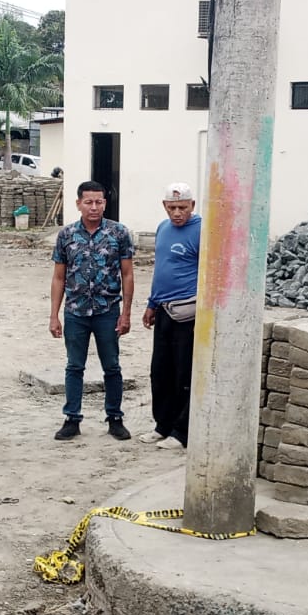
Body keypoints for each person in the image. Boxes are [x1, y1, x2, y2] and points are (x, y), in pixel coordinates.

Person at [49, 181, 135, 441]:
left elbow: (128, 274)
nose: (94, 207)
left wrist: (126, 313)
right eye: (88, 202)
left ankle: (115, 418)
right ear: (78, 204)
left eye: (99, 202)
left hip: (107, 310)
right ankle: (72, 419)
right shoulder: (66, 235)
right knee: (74, 366)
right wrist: (54, 315)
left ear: (105, 203)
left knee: (112, 366)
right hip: (76, 312)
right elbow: (59, 277)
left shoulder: (119, 233)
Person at [140, 183, 202, 450]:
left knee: (183, 373)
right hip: (164, 309)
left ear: (192, 206)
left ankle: (181, 431)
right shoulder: (163, 228)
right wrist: (152, 303)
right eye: (172, 207)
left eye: (182, 207)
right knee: (160, 371)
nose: (177, 213)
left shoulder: (202, 231)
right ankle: (162, 425)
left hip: (188, 313)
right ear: (164, 206)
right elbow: (161, 269)